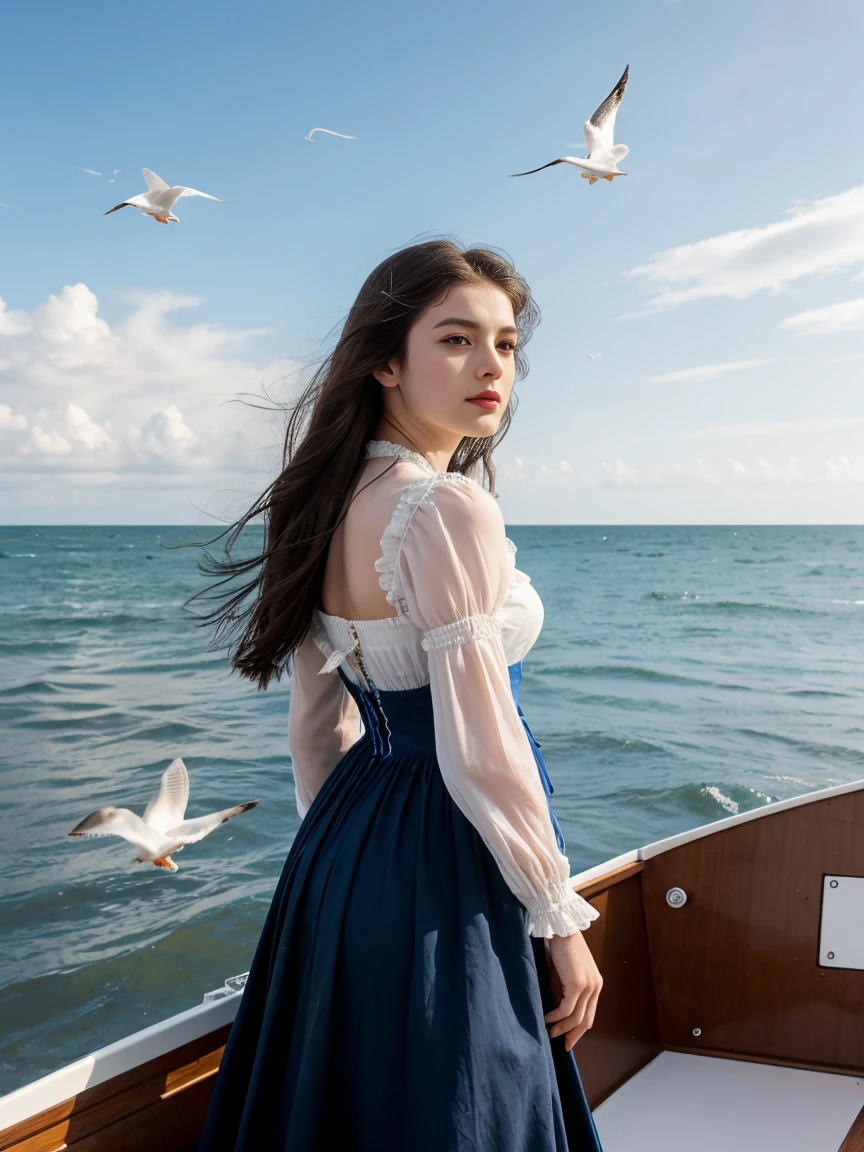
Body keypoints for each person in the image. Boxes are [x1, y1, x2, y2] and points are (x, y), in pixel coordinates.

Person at [194, 239, 604, 1151]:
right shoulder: (443, 507)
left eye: (505, 344)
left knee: (361, 1102)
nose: (491, 366)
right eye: (456, 339)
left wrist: (335, 868)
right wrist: (557, 915)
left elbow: (316, 725)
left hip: (343, 849)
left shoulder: (320, 504)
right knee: (462, 1100)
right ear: (385, 360)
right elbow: (480, 745)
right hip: (446, 850)